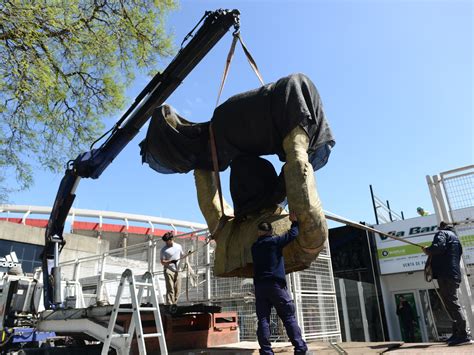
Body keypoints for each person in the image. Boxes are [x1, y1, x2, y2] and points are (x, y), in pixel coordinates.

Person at [251, 212, 309, 355]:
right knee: (288, 317)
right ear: (270, 231)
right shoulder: (274, 242)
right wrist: (294, 221)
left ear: (258, 233)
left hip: (260, 287)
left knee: (263, 319)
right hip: (275, 286)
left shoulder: (254, 247)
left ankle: (266, 351)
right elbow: (293, 234)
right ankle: (300, 349)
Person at [422, 222, 471, 346]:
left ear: (441, 228)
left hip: (446, 274)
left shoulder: (441, 233)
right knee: (450, 304)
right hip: (452, 274)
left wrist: (427, 250)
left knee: (452, 304)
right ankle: (457, 334)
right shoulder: (456, 240)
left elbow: (438, 247)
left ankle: (463, 335)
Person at [160, 231, 184, 305]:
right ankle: (169, 305)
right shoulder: (163, 250)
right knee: (170, 289)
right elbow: (162, 262)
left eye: (167, 241)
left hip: (178, 270)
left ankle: (174, 304)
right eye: (165, 242)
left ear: (171, 239)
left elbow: (182, 255)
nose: (166, 243)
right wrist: (170, 261)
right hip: (168, 270)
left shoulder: (178, 246)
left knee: (178, 289)